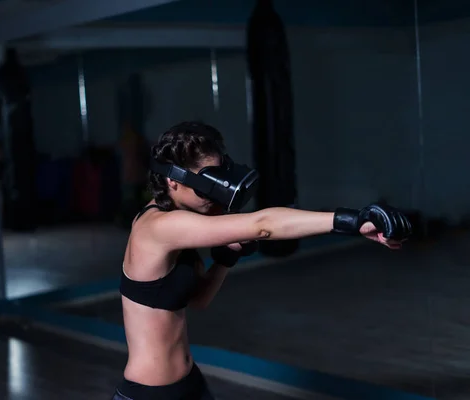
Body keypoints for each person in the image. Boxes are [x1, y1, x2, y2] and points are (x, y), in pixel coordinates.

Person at [112, 121, 412, 400]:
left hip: (191, 384)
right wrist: (354, 221)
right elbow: (263, 224)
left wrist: (226, 260)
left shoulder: (185, 225)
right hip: (148, 394)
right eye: (205, 183)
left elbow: (198, 299)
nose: (212, 193)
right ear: (172, 181)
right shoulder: (158, 227)